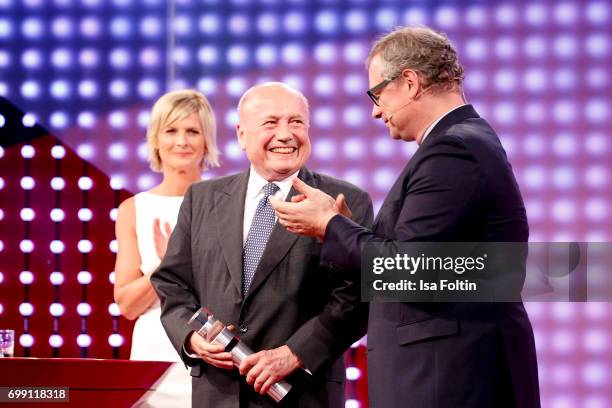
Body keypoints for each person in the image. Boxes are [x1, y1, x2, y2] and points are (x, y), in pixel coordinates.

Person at [272, 26, 541, 407]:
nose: (375, 110)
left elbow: (409, 270)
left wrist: (330, 225)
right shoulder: (464, 141)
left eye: (377, 94)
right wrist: (341, 228)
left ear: (410, 82)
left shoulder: (452, 150)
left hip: (447, 378)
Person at [150, 82, 373, 408]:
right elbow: (172, 283)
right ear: (242, 134)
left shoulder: (345, 200)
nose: (286, 134)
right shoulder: (202, 199)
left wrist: (295, 353)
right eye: (271, 123)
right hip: (217, 394)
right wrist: (192, 338)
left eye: (296, 122)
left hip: (301, 393)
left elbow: (356, 295)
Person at [114, 89, 220, 407]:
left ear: (206, 140)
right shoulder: (134, 208)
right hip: (152, 360)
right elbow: (128, 305)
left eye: (192, 131)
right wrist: (165, 266)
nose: (181, 142)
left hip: (211, 350)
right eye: (171, 131)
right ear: (156, 139)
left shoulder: (225, 202)